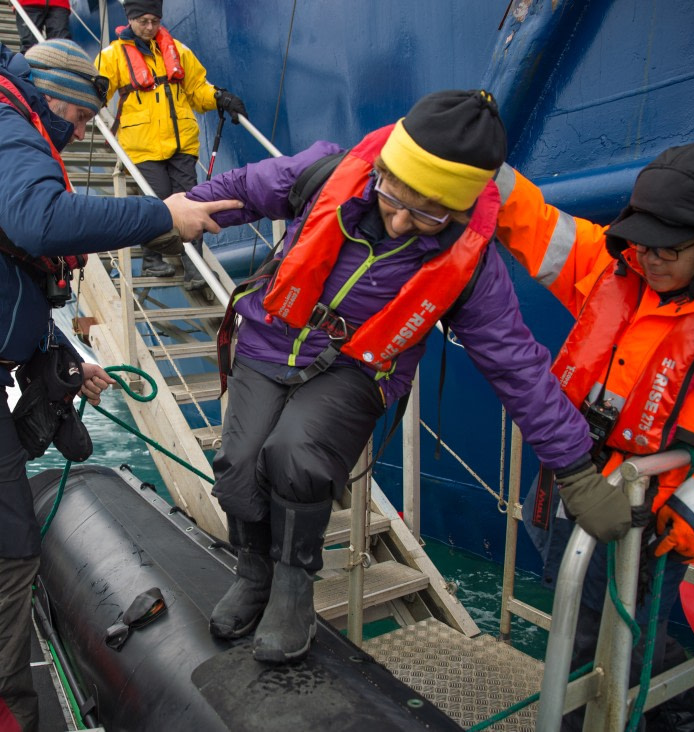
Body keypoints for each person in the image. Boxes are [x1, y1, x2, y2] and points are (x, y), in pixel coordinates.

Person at [0, 39, 238, 732]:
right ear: (55, 94)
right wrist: (162, 215)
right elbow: (41, 221)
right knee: (3, 551)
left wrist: (56, 356)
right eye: (84, 116)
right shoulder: (5, 124)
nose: (86, 130)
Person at [184, 89, 608, 664]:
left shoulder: (472, 263)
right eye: (394, 196)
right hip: (269, 339)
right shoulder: (327, 170)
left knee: (296, 456)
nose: (402, 219)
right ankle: (254, 570)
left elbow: (518, 366)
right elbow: (245, 187)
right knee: (237, 464)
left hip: (360, 367)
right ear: (381, 171)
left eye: (428, 213)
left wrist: (576, 469)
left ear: (457, 211)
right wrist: (177, 207)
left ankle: (292, 586)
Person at [495, 142, 694, 730]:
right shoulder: (616, 267)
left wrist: (691, 519)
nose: (650, 258)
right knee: (618, 631)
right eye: (641, 242)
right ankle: (683, 720)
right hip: (567, 487)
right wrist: (477, 156)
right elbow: (535, 223)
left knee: (603, 637)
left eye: (669, 248)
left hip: (651, 520)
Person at [95, 0, 248, 286]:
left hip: (182, 144)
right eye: (143, 22)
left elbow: (197, 88)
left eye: (155, 21)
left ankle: (195, 269)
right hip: (142, 147)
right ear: (130, 20)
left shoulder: (177, 50)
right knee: (159, 200)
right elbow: (98, 92)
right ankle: (152, 260)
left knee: (194, 201)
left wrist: (219, 97)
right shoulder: (112, 56)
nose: (150, 27)